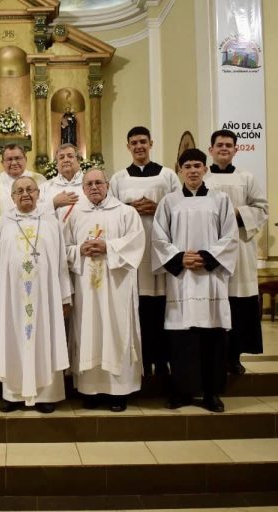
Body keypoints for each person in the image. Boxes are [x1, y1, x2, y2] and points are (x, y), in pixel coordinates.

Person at [152, 148, 238, 413]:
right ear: (180, 170)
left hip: (210, 278)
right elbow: (158, 237)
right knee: (182, 339)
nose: (192, 170)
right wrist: (179, 258)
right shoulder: (169, 202)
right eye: (187, 166)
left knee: (212, 337)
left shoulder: (220, 200)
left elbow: (230, 236)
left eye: (197, 166)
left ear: (205, 169)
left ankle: (212, 393)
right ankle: (182, 392)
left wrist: (206, 257)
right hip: (182, 280)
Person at [0, 176, 71, 413]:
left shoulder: (52, 223)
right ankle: (12, 395)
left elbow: (61, 263)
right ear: (12, 197)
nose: (25, 194)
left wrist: (65, 297)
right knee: (13, 338)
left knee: (44, 338)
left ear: (39, 193)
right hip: (11, 299)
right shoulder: (1, 223)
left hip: (46, 298)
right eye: (20, 190)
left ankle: (47, 395)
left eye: (30, 189)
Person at [65, 169, 145, 412]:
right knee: (88, 331)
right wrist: (79, 250)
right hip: (86, 291)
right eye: (89, 184)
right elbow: (63, 248)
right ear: (83, 188)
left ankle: (118, 391)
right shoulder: (76, 215)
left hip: (116, 288)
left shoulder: (125, 212)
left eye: (98, 182)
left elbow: (136, 243)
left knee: (115, 330)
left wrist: (107, 247)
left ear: (107, 185)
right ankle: (90, 390)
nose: (94, 187)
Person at [110, 126, 180, 377]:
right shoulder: (118, 179)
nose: (139, 146)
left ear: (151, 143)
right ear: (127, 146)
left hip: (159, 249)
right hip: (133, 254)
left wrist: (158, 206)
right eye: (134, 143)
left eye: (143, 142)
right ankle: (140, 358)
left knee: (160, 306)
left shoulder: (168, 176)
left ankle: (162, 360)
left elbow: (179, 208)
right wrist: (130, 208)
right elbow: (112, 212)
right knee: (137, 306)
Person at [204, 129, 268, 374]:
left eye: (228, 145)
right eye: (219, 145)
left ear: (235, 150)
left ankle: (235, 356)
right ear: (211, 150)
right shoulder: (202, 177)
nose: (223, 149)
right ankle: (214, 356)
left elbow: (261, 209)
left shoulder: (247, 178)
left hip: (240, 250)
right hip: (212, 249)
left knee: (238, 304)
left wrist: (235, 212)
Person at [0, 144, 46, 222]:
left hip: (33, 231)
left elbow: (47, 208)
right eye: (9, 159)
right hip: (1, 232)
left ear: (25, 159)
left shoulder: (40, 180)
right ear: (2, 162)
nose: (14, 163)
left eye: (17, 158)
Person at [40, 143, 87, 225]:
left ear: (78, 160)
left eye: (70, 156)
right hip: (56, 234)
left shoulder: (90, 183)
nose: (66, 160)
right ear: (56, 163)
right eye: (61, 157)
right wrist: (54, 203)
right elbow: (36, 212)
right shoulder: (45, 187)